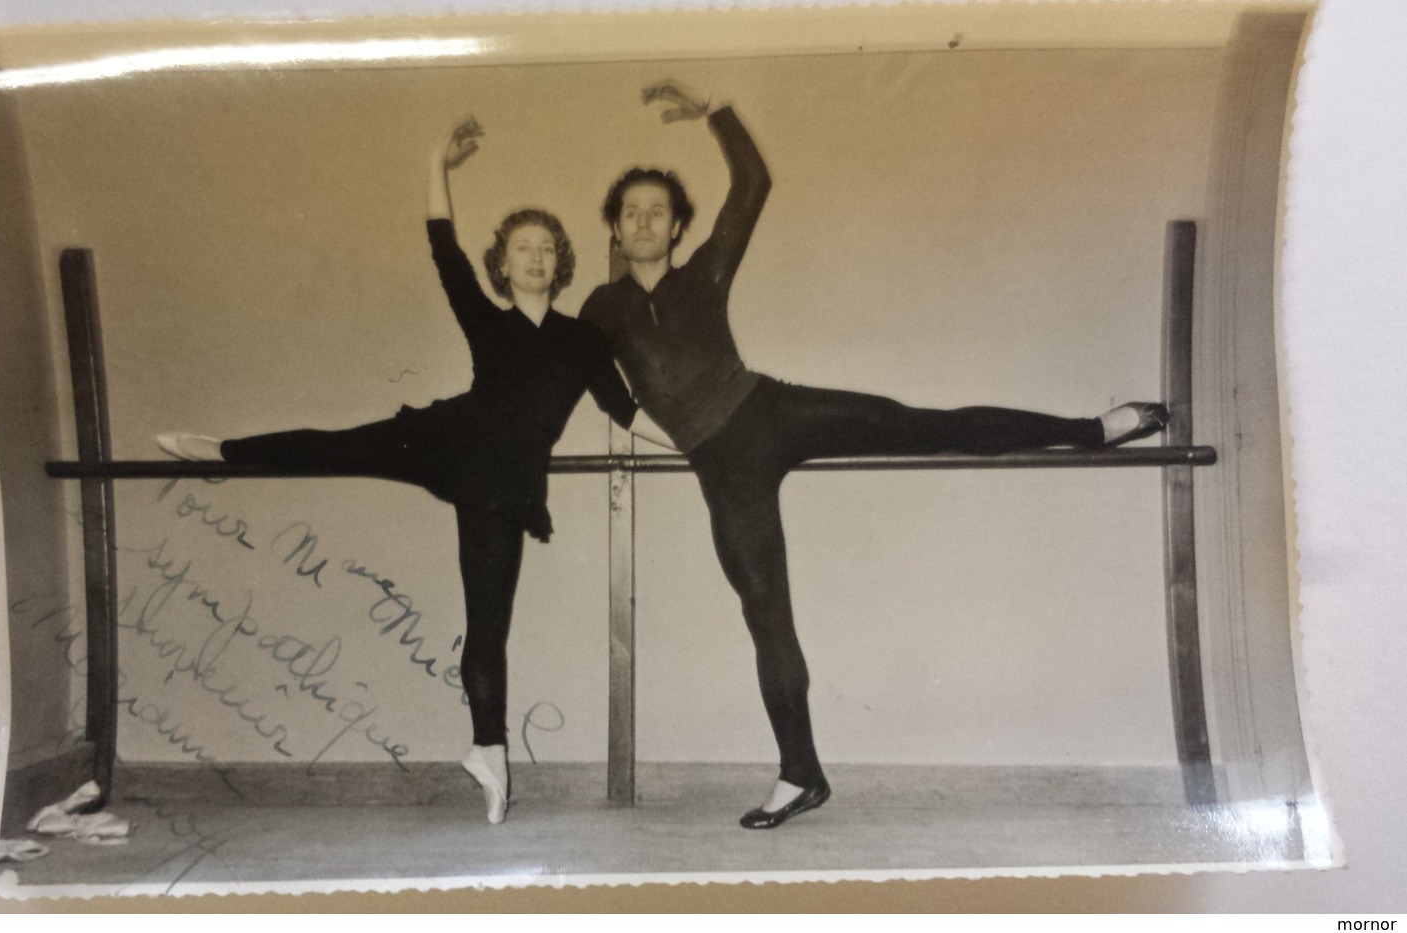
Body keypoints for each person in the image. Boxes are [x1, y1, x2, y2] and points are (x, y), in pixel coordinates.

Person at [579, 81, 1168, 830]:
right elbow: (605, 392)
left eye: (656, 211)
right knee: (766, 615)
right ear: (614, 227)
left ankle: (1092, 428)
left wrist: (714, 109)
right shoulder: (600, 311)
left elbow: (753, 184)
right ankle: (800, 775)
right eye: (630, 211)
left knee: (917, 423)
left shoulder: (705, 274)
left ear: (675, 226)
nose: (642, 221)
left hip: (771, 411)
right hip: (721, 466)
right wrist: (673, 434)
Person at [158, 119, 638, 825]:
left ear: (559, 262)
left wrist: (706, 439)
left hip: (500, 483)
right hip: (445, 438)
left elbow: (624, 409)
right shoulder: (485, 316)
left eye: (545, 249)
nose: (534, 258)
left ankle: (489, 753)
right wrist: (434, 162)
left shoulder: (582, 339)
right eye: (520, 249)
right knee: (340, 443)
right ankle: (221, 448)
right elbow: (443, 247)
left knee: (487, 624)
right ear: (502, 264)